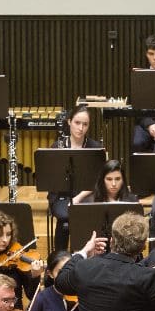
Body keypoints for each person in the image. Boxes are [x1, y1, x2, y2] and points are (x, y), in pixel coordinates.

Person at [47, 106, 103, 251]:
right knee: (64, 216)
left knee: (86, 213)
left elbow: (97, 181)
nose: (81, 128)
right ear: (69, 122)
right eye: (77, 123)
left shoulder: (94, 147)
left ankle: (83, 255)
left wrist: (77, 198)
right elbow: (53, 180)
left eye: (85, 124)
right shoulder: (57, 147)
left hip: (86, 194)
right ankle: (60, 258)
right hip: (61, 195)